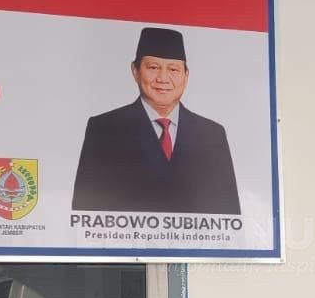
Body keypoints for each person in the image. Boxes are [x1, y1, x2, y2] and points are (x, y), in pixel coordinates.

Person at [71, 26, 241, 213]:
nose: (163, 78)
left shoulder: (211, 135)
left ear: (186, 76)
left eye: (173, 69)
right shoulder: (104, 129)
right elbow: (84, 212)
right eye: (153, 68)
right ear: (135, 71)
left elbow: (229, 214)